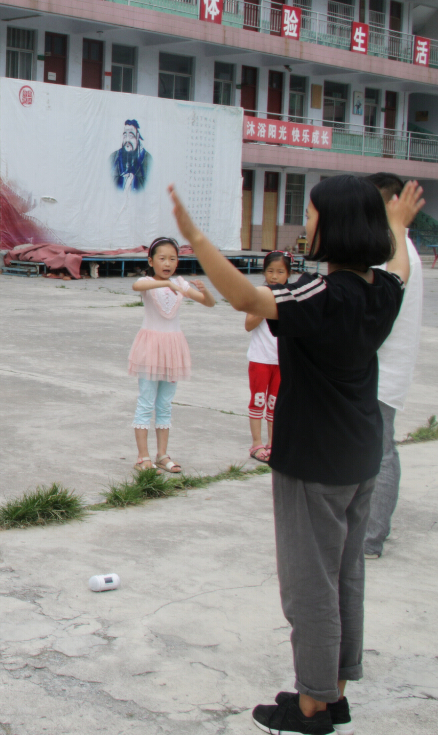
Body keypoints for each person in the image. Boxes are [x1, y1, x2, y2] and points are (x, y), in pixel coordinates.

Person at [168, 176, 422, 735]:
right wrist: (397, 225)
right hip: (360, 453)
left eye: (310, 216)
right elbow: (400, 264)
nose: (304, 226)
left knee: (311, 586)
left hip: (313, 458)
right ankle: (335, 688)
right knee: (346, 575)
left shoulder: (319, 294)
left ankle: (311, 705)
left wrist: (197, 240)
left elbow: (246, 299)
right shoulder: (383, 289)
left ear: (336, 226)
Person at [364, 172, 424, 559]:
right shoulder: (397, 247)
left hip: (382, 373)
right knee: (378, 450)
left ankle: (370, 538)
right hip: (384, 371)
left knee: (381, 453)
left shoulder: (394, 251)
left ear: (392, 204)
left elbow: (376, 317)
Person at [127, 237, 215, 473]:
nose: (167, 263)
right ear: (151, 261)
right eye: (162, 258)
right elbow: (137, 286)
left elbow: (209, 303)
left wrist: (204, 291)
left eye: (173, 259)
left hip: (172, 349)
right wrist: (167, 284)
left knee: (165, 404)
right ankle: (142, 457)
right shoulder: (147, 282)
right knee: (146, 402)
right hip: (150, 349)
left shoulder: (180, 283)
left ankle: (162, 455)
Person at [244, 251, 291, 463]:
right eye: (270, 271)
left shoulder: (290, 296)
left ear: (288, 274)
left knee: (275, 403)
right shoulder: (258, 294)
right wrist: (266, 306)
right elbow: (248, 325)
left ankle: (273, 443)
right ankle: (257, 444)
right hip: (260, 360)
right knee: (258, 401)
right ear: (264, 272)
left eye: (280, 272)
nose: (274, 276)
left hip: (281, 361)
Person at [111, 119, 152, 191]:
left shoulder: (147, 159)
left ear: (137, 137)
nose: (127, 140)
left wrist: (133, 179)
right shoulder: (114, 157)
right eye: (125, 135)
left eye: (131, 136)